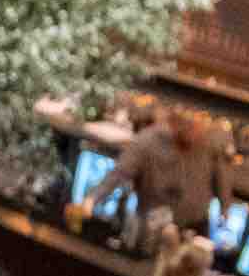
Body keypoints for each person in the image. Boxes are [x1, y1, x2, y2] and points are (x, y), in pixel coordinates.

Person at [83, 104, 235, 248]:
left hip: (196, 224)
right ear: (174, 123)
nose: (195, 135)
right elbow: (120, 172)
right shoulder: (148, 141)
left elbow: (222, 178)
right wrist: (92, 199)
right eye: (188, 127)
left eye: (199, 127)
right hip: (154, 223)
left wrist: (225, 208)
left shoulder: (210, 143)